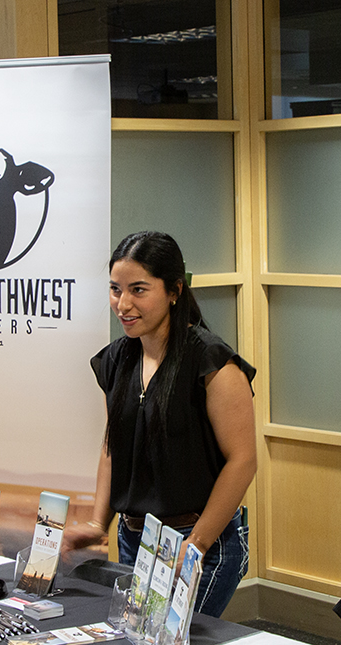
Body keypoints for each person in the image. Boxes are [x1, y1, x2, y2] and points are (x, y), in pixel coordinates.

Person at [62, 231, 256, 617]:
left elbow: (243, 461)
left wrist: (197, 544)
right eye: (116, 290)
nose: (123, 304)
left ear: (174, 291)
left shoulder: (212, 362)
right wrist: (99, 521)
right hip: (136, 539)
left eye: (138, 290)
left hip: (200, 541)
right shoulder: (117, 359)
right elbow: (113, 445)